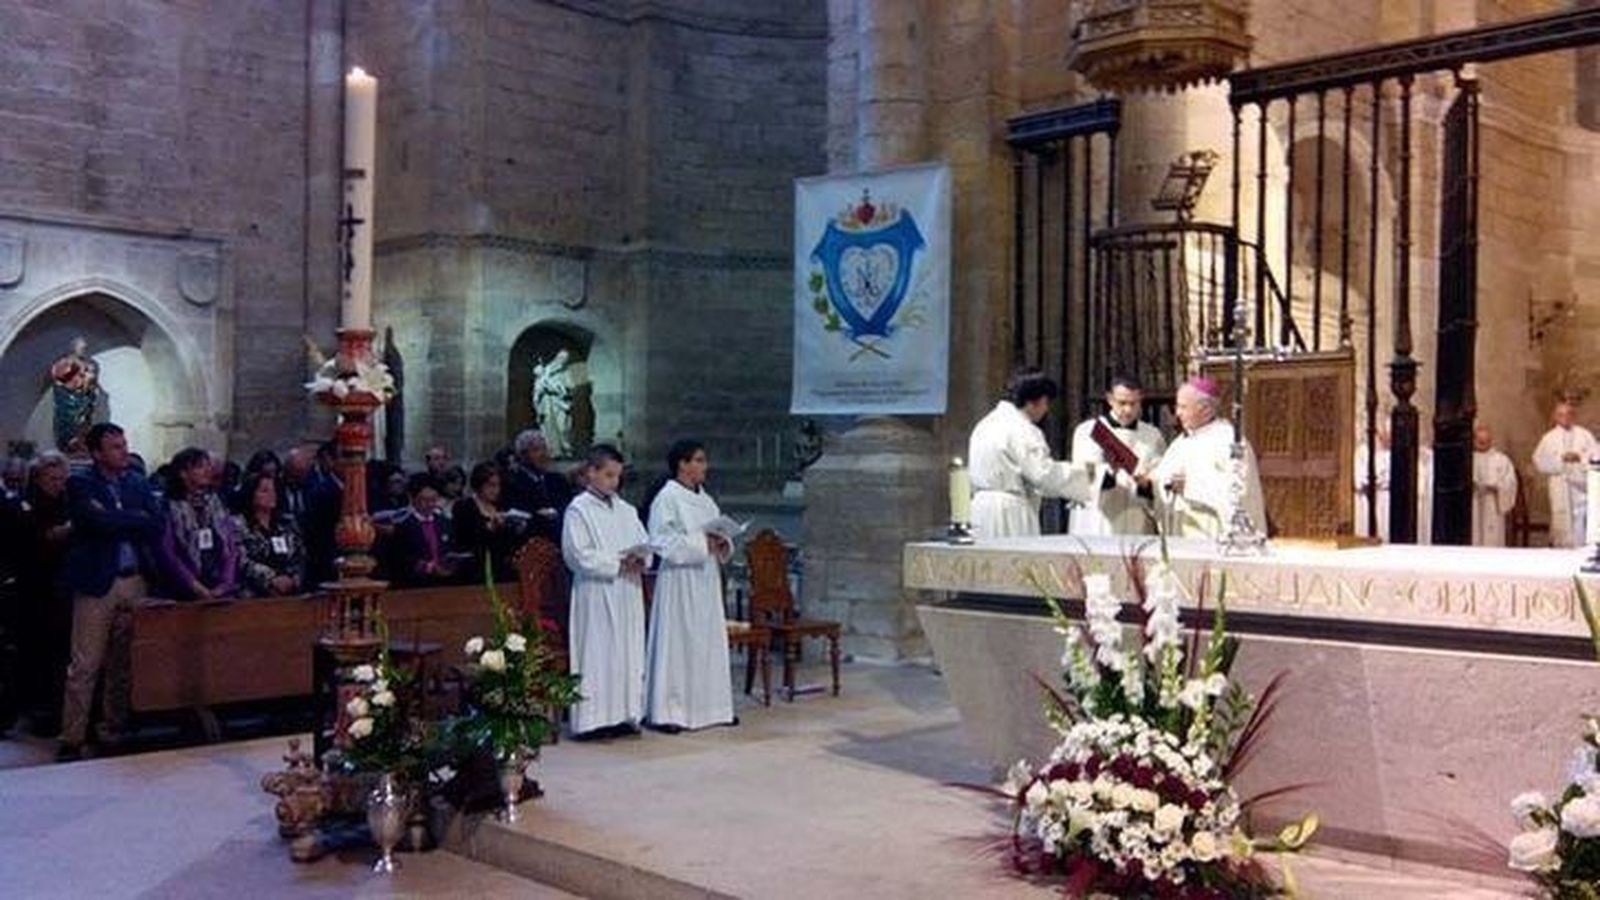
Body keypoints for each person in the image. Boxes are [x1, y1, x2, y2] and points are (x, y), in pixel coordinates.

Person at [58, 423, 163, 760]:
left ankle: (113, 728)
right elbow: (94, 522)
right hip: (97, 581)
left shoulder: (136, 480)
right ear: (97, 453)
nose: (123, 450)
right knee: (85, 664)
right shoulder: (80, 483)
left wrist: (118, 517)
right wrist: (132, 518)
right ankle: (73, 736)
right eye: (115, 446)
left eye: (124, 443)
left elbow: (155, 522)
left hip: (133, 580)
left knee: (124, 661)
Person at [644, 440, 736, 733]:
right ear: (682, 464)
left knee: (707, 642)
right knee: (679, 643)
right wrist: (701, 544)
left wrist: (723, 542)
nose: (704, 466)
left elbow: (719, 533)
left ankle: (711, 708)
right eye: (699, 460)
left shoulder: (706, 500)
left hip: (706, 579)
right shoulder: (667, 498)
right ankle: (671, 711)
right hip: (680, 580)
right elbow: (661, 540)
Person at [562, 444, 651, 740]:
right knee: (597, 653)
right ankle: (593, 719)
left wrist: (641, 558)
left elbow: (645, 542)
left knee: (626, 650)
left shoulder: (626, 510)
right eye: (609, 474)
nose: (614, 481)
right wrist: (616, 562)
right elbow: (577, 555)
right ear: (591, 473)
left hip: (627, 591)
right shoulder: (578, 510)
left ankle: (624, 714)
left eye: (618, 476)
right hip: (597, 592)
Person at [966, 368, 1102, 538]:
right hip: (1008, 513)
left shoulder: (985, 423)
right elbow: (1043, 475)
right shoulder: (1022, 429)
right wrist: (1091, 476)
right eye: (1046, 403)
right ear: (1033, 402)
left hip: (980, 511)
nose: (1046, 410)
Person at [1151, 378, 1267, 540]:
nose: (1177, 413)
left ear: (1205, 409)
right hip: (1180, 530)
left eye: (1183, 407)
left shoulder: (1230, 441)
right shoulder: (1180, 442)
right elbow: (1162, 479)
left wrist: (1190, 485)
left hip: (1211, 531)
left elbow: (1239, 491)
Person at [16, 453, 73, 735]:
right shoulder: (26, 505)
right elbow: (38, 537)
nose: (59, 484)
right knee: (38, 649)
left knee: (60, 652)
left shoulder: (66, 502)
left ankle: (55, 709)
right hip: (35, 585)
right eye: (53, 479)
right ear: (38, 478)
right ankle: (35, 710)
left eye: (63, 479)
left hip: (62, 585)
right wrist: (69, 530)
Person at [1068, 375, 1166, 536]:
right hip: (1100, 519)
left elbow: (1160, 476)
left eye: (1134, 404)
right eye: (1122, 403)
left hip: (1137, 517)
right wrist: (1109, 472)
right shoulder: (1088, 430)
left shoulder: (1153, 435)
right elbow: (1083, 474)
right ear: (1110, 399)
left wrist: (1147, 483)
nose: (1128, 410)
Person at [155, 447, 241, 601]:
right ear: (183, 473)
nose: (207, 470)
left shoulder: (216, 502)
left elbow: (231, 543)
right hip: (184, 587)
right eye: (200, 466)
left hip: (218, 584)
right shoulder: (169, 506)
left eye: (208, 465)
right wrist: (193, 585)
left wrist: (226, 582)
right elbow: (168, 553)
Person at [1532, 400, 1597, 548]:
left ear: (1574, 416)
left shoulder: (1585, 435)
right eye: (1561, 415)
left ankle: (1582, 549)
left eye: (1569, 414)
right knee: (1561, 519)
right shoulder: (1548, 438)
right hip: (1560, 484)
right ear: (1555, 417)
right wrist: (1560, 459)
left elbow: (1595, 457)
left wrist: (1580, 458)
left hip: (1581, 487)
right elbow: (1538, 461)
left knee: (1580, 519)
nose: (1565, 418)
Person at [236, 471, 307, 597]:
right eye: (264, 491)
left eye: (273, 490)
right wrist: (271, 580)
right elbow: (241, 559)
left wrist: (292, 579)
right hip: (252, 593)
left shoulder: (286, 523)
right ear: (251, 494)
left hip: (289, 592)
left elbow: (300, 556)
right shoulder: (238, 524)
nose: (271, 495)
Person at [452, 462, 524, 581]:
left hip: (502, 568)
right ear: (479, 485)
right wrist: (489, 527)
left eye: (498, 485)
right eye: (491, 485)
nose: (496, 490)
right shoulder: (464, 507)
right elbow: (465, 538)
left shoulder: (502, 506)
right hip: (476, 569)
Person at [387, 474, 459, 587]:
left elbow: (452, 548)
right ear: (412, 498)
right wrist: (427, 567)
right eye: (425, 500)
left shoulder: (445, 523)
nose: (430, 504)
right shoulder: (403, 526)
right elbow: (400, 559)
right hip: (415, 585)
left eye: (434, 500)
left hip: (445, 583)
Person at [505, 429, 574, 545]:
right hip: (532, 545)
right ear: (523, 455)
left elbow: (569, 506)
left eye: (545, 449)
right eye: (536, 450)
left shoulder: (558, 480)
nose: (544, 455)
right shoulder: (513, 483)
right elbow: (519, 516)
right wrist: (541, 517)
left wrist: (557, 513)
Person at [1471, 422, 1518, 548]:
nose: (1482, 444)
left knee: (1491, 539)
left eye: (1485, 441)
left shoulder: (1502, 460)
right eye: (1479, 441)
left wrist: (1496, 487)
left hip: (1493, 503)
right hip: (1473, 503)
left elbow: (1510, 483)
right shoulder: (1467, 459)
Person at [50, 337, 99, 454]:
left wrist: (89, 380)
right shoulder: (64, 363)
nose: (83, 350)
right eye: (81, 348)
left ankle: (81, 447)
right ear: (73, 348)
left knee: (84, 425)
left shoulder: (89, 364)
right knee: (69, 424)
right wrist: (80, 379)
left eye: (85, 348)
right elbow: (59, 380)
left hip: (84, 401)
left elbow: (90, 385)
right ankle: (68, 446)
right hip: (68, 402)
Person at [533, 350, 575, 459]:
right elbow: (537, 388)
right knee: (549, 427)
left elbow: (571, 388)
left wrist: (560, 389)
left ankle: (566, 449)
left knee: (563, 428)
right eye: (560, 358)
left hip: (561, 404)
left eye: (565, 359)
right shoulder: (545, 371)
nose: (562, 361)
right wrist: (542, 388)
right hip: (547, 402)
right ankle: (553, 451)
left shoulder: (566, 373)